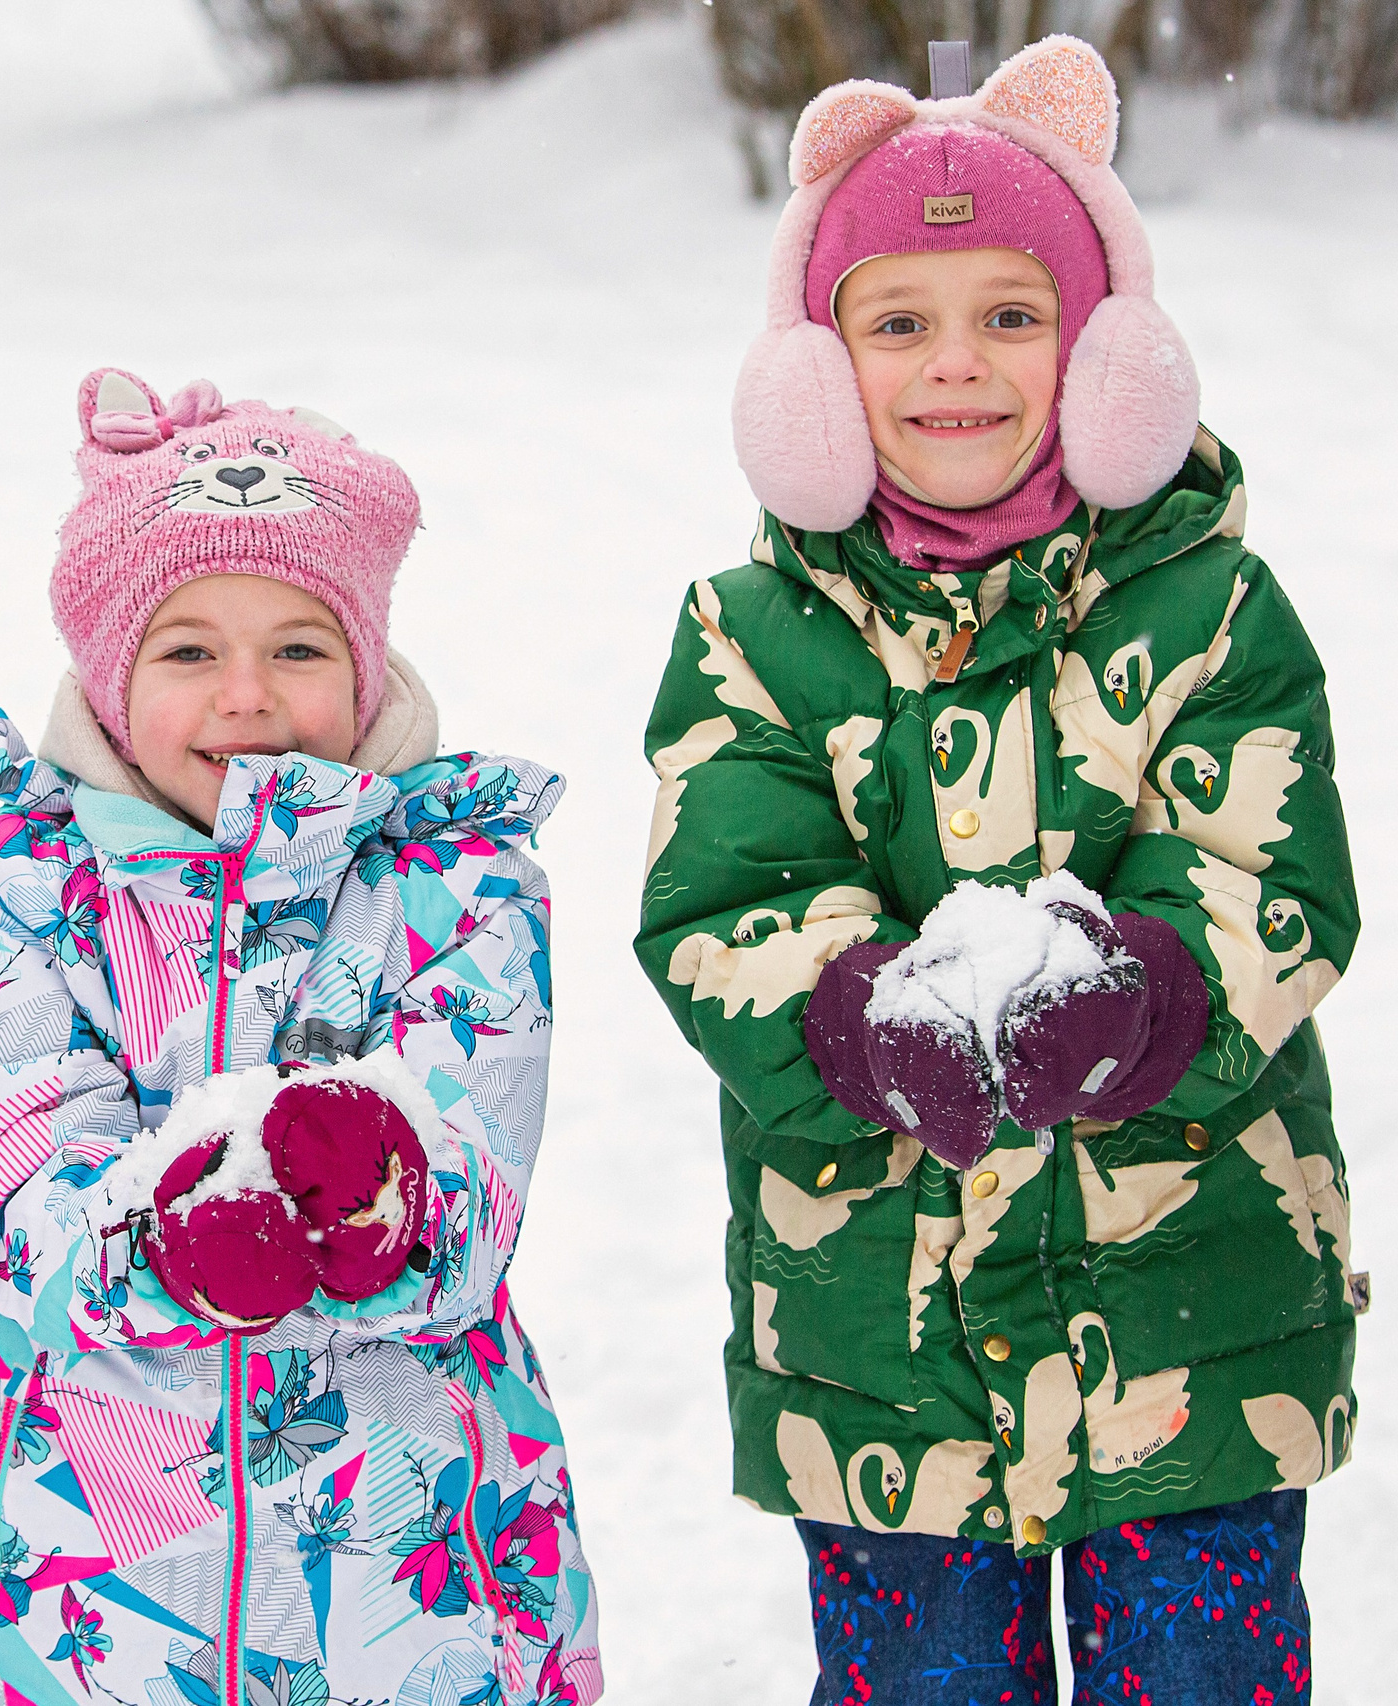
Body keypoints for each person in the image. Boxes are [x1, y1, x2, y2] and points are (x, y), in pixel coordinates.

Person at [638, 36, 1354, 1705]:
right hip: (881, 1344)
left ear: (1108, 356)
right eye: (897, 323)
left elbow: (1272, 881)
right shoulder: (752, 642)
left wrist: (1145, 996)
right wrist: (859, 1019)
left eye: (1012, 316)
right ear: (814, 373)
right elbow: (717, 907)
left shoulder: (1213, 613)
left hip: (1192, 1323)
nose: (955, 365)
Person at [0, 370, 599, 1706]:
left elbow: (475, 1166)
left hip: (399, 1555)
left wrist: (379, 1196)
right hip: (80, 1553)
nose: (247, 694)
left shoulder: (458, 880)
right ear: (109, 678)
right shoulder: (22, 884)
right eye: (189, 649)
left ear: (368, 664)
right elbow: (8, 1158)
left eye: (301, 647)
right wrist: (165, 1242)